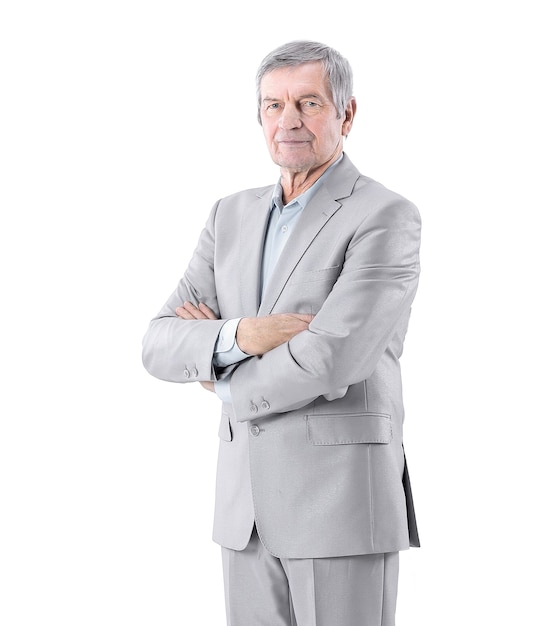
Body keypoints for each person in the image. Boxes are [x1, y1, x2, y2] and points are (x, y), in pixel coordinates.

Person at [142, 40, 421, 626]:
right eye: (273, 105)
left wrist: (217, 377)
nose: (288, 120)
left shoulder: (384, 215)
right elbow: (159, 343)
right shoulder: (229, 215)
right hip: (243, 512)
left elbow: (331, 360)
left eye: (309, 103)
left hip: (339, 504)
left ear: (346, 115)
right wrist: (243, 335)